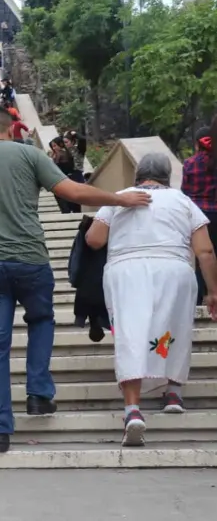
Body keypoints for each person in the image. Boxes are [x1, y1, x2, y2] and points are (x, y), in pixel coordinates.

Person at [0, 105, 152, 454]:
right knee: (40, 320)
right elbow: (74, 193)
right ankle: (38, 393)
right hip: (30, 260)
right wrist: (118, 199)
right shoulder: (29, 155)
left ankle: (0, 432)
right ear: (10, 129)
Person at [85, 153, 217, 446]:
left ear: (138, 174)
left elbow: (94, 240)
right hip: (174, 270)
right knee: (175, 328)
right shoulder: (183, 201)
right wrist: (213, 291)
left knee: (131, 333)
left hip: (126, 271)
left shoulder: (120, 197)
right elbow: (205, 252)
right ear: (167, 176)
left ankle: (132, 410)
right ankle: (172, 392)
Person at [182, 125, 217, 304]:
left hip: (197, 215)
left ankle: (199, 296)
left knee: (200, 254)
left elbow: (184, 192)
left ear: (197, 144)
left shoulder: (189, 163)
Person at [49, 137, 83, 214]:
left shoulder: (61, 155)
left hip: (64, 182)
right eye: (52, 146)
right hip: (69, 182)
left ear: (60, 144)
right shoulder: (66, 153)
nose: (54, 148)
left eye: (55, 146)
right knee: (74, 205)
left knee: (66, 204)